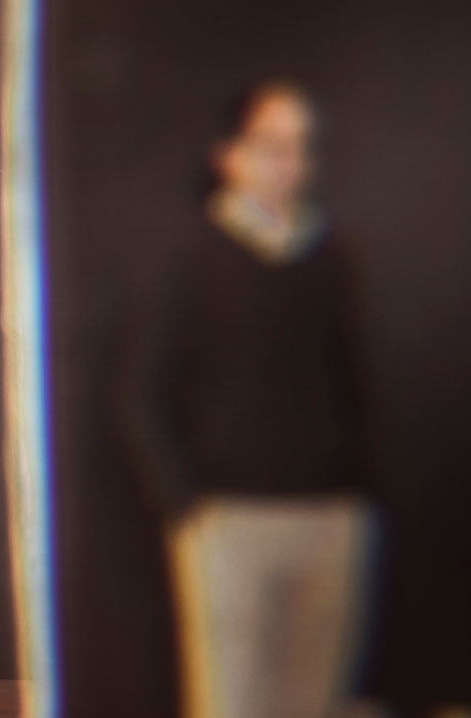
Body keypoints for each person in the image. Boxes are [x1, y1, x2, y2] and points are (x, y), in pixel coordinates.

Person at [120, 80, 373, 718]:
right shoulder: (192, 256)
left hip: (329, 520)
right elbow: (139, 393)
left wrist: (356, 494)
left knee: (314, 701)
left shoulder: (330, 256)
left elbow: (356, 382)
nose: (289, 161)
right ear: (229, 155)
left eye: (301, 146)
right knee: (233, 702)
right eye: (271, 144)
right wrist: (191, 510)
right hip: (231, 523)